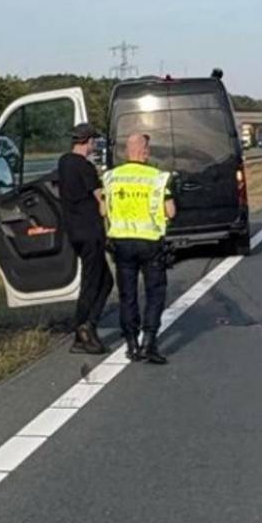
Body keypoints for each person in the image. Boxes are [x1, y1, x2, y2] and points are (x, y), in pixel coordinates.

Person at [102, 134, 176, 365]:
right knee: (155, 293)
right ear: (145, 152)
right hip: (150, 243)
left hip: (122, 243)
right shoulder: (157, 178)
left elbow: (104, 210)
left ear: (127, 152)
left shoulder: (111, 178)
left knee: (128, 295)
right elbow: (170, 211)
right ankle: (148, 343)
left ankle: (131, 344)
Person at [58, 123, 114, 355]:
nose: (95, 145)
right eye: (94, 141)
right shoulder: (85, 167)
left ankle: (87, 326)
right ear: (87, 141)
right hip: (91, 231)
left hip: (74, 231)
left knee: (105, 280)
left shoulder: (63, 163)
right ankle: (83, 329)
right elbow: (100, 200)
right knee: (92, 282)